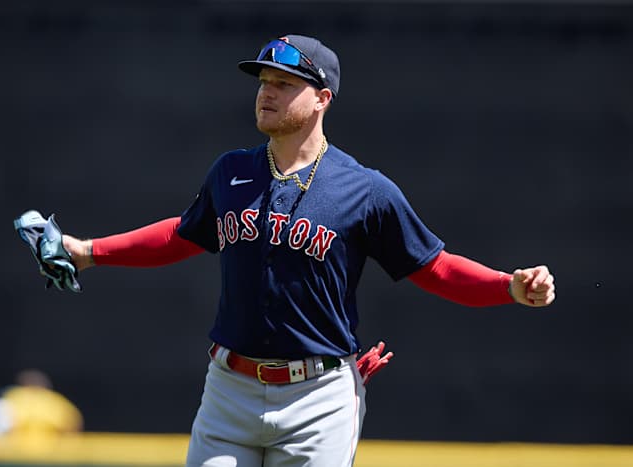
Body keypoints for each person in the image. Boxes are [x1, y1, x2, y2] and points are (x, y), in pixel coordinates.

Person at [56, 34, 555, 466]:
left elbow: (435, 267)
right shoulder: (232, 171)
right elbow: (182, 235)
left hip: (318, 396)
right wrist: (88, 251)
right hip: (229, 389)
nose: (266, 94)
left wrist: (507, 286)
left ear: (322, 98)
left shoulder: (365, 190)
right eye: (263, 82)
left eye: (283, 84)